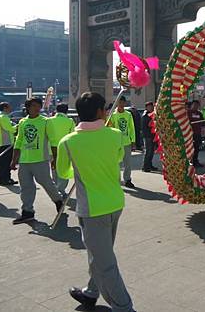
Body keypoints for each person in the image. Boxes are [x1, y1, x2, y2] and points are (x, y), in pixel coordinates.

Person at [56, 92, 135, 312]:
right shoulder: (116, 135)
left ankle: (124, 307)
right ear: (101, 111)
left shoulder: (68, 142)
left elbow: (63, 172)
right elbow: (118, 158)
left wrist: (81, 169)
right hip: (115, 203)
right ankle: (91, 292)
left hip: (92, 209)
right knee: (101, 253)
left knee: (105, 261)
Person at [11, 97, 64, 224]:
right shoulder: (23, 122)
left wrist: (55, 158)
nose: (36, 108)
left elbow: (53, 141)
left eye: (38, 106)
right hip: (24, 161)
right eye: (33, 106)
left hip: (40, 159)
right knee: (26, 187)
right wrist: (14, 160)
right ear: (28, 108)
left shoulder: (46, 122)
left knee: (47, 183)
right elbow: (18, 141)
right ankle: (27, 212)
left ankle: (58, 201)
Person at [47, 103, 76, 197]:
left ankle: (56, 190)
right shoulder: (70, 121)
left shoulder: (49, 120)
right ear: (66, 110)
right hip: (65, 149)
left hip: (51, 149)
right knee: (64, 170)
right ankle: (61, 190)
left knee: (54, 170)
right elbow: (73, 136)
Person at [109, 96, 136, 188]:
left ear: (125, 103)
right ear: (117, 103)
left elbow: (132, 128)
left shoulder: (128, 114)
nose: (121, 104)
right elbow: (110, 128)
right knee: (116, 163)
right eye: (119, 102)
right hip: (116, 143)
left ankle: (127, 179)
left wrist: (133, 141)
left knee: (127, 163)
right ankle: (116, 181)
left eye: (122, 102)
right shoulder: (112, 115)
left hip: (126, 142)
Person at [0, 102, 17, 186]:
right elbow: (9, 129)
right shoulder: (4, 117)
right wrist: (17, 127)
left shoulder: (1, 117)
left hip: (3, 142)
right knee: (6, 162)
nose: (10, 109)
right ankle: (5, 179)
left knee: (2, 162)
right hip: (6, 142)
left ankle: (0, 179)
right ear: (5, 108)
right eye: (9, 107)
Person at [141, 101, 159, 172]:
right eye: (149, 106)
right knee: (148, 151)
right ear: (146, 107)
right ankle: (145, 166)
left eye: (151, 106)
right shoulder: (145, 115)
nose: (150, 108)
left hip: (152, 135)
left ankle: (149, 165)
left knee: (151, 151)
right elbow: (145, 127)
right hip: (147, 136)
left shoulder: (153, 114)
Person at [188, 100, 203, 167]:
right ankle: (189, 162)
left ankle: (195, 161)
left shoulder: (199, 113)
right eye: (194, 105)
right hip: (189, 134)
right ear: (191, 105)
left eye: (197, 105)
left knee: (196, 148)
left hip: (197, 134)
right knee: (190, 149)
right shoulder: (188, 112)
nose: (195, 106)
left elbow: (203, 121)